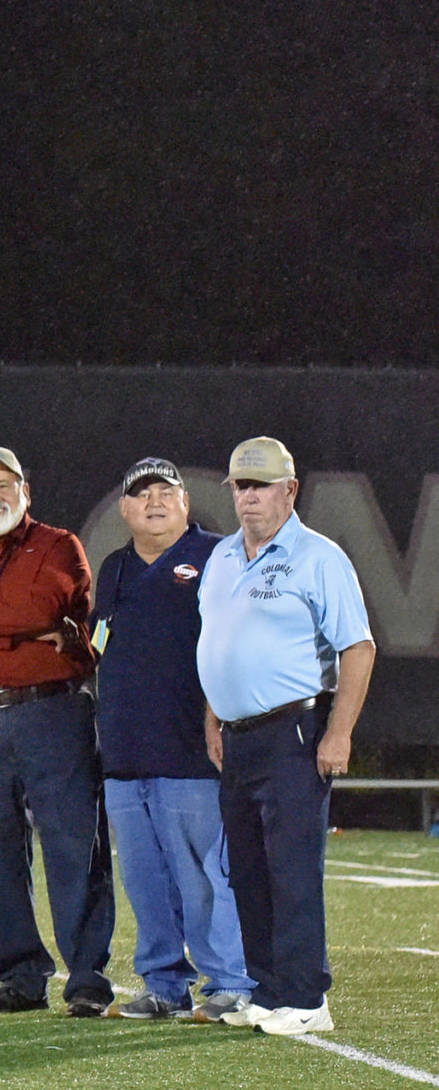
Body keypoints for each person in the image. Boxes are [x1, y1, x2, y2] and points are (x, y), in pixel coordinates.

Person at [195, 436, 375, 1037]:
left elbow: (358, 645)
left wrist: (340, 733)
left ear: (290, 490)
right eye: (241, 487)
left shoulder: (319, 557)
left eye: (261, 486)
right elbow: (215, 643)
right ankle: (269, 990)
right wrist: (213, 716)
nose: (248, 498)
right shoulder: (220, 558)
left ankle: (307, 997)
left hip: (295, 729)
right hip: (238, 736)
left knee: (291, 867)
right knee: (246, 869)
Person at [0, 445, 115, 1015]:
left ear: (24, 491)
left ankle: (86, 978)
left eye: (2, 485)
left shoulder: (59, 545)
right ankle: (21, 975)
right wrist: (5, 629)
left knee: (73, 844)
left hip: (52, 711)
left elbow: (40, 606)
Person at [92, 458, 252, 1023]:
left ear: (186, 502)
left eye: (166, 491)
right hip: (125, 752)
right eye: (142, 494)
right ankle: (163, 984)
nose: (154, 501)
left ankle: (231, 981)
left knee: (205, 875)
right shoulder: (112, 567)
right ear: (125, 509)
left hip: (191, 750)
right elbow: (100, 644)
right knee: (145, 880)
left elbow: (236, 643)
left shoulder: (218, 556)